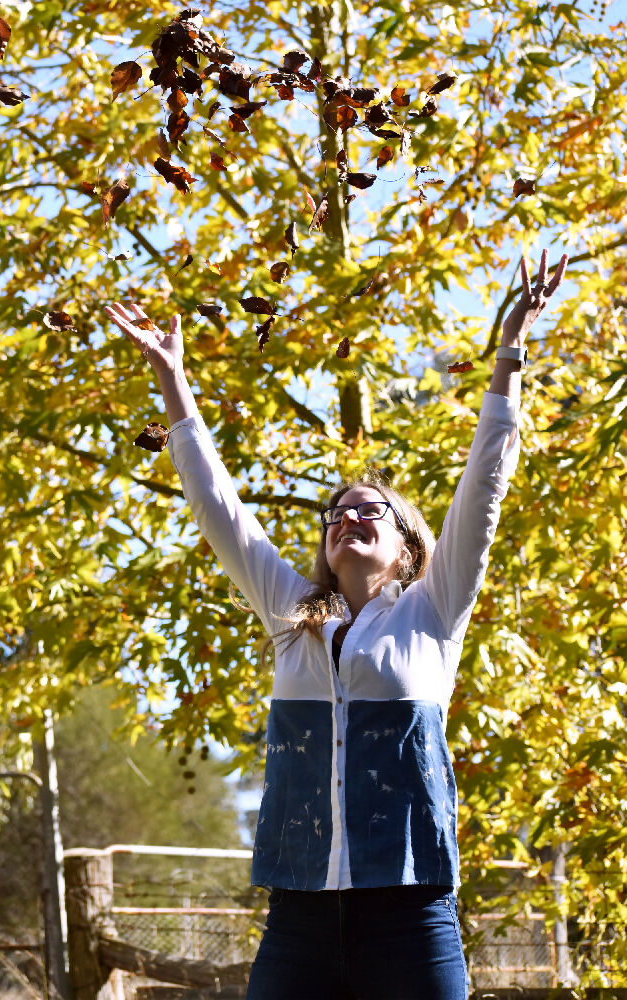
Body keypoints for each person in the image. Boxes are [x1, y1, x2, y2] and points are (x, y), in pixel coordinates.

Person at [104, 248, 568, 1000]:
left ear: (408, 541)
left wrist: (510, 352)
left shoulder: (433, 608)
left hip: (412, 914)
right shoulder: (290, 614)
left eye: (368, 510)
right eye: (336, 513)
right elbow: (220, 508)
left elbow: (485, 481)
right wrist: (173, 382)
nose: (348, 516)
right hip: (299, 920)